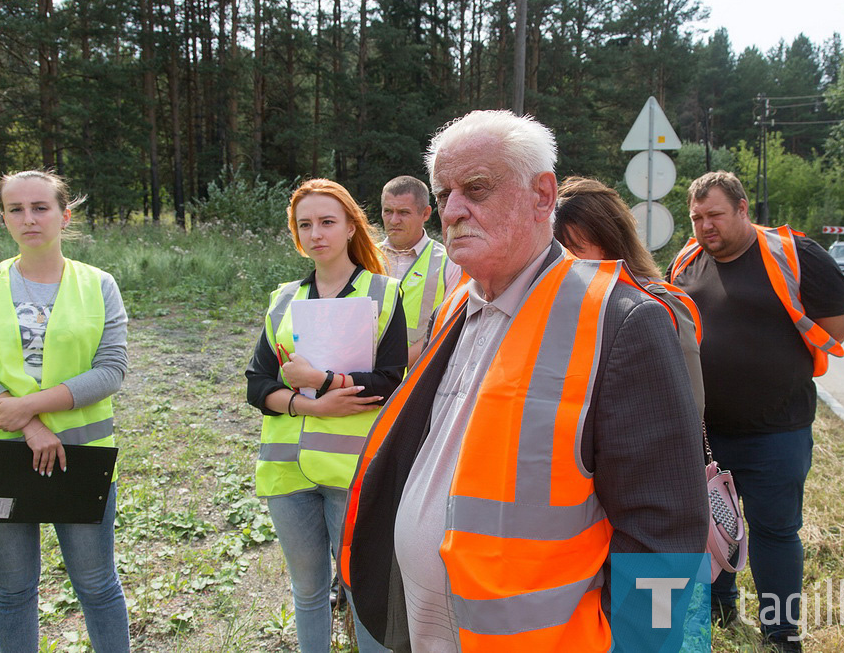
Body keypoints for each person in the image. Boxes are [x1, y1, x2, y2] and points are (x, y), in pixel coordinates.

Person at [339, 110, 708, 651]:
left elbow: (666, 531)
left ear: (542, 195)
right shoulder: (457, 308)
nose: (454, 210)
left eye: (478, 188)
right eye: (444, 194)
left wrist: (645, 645)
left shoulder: (621, 321)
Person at [668, 171, 844, 652]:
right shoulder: (687, 262)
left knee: (775, 530)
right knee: (713, 523)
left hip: (777, 430)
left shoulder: (797, 256)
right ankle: (720, 604)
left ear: (743, 208)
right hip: (707, 433)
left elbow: (839, 322)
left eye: (714, 215)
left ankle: (781, 631)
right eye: (696, 218)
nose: (705, 226)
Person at [0, 170, 130, 652]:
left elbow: (111, 370)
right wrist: (30, 427)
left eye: (41, 208)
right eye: (16, 209)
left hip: (80, 457)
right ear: (4, 217)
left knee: (97, 587)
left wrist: (29, 407)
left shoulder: (99, 284)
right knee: (13, 592)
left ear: (64, 215)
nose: (29, 218)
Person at [245, 178, 406, 653]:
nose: (316, 233)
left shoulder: (384, 292)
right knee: (308, 591)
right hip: (286, 470)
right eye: (305, 224)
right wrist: (307, 403)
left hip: (351, 470)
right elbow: (258, 384)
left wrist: (327, 379)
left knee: (362, 592)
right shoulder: (283, 300)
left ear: (352, 227)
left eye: (327, 222)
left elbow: (389, 382)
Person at [554, 175, 704, 413]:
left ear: (608, 245)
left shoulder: (660, 306)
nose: (563, 262)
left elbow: (686, 409)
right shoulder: (555, 305)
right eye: (556, 251)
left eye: (574, 250)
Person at [379, 175, 462, 366]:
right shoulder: (363, 258)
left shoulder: (449, 263)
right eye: (387, 211)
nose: (394, 220)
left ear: (425, 214)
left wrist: (389, 369)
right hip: (363, 382)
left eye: (403, 212)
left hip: (418, 380)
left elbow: (447, 328)